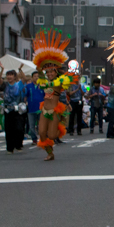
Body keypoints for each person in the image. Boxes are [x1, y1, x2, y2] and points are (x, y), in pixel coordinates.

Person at [32, 29, 75, 160]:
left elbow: (67, 81)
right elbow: (39, 74)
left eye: (52, 72)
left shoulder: (59, 82)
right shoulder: (43, 81)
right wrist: (40, 65)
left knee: (51, 135)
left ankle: (61, 124)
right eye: (48, 72)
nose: (50, 74)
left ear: (56, 73)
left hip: (55, 110)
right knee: (42, 133)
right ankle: (50, 153)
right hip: (44, 110)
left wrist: (67, 104)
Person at [0, 62, 26, 154]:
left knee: (19, 128)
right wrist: (2, 69)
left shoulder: (18, 84)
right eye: (8, 75)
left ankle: (18, 145)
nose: (9, 77)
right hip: (8, 110)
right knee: (9, 129)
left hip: (17, 110)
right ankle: (10, 148)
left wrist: (20, 69)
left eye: (11, 75)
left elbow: (24, 78)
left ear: (14, 76)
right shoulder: (5, 85)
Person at [25, 72, 44, 145]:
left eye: (38, 76)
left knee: (41, 126)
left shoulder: (42, 86)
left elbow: (46, 96)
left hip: (41, 109)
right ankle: (34, 139)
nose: (36, 77)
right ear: (32, 78)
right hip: (31, 109)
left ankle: (42, 138)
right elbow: (25, 95)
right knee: (31, 126)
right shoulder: (28, 86)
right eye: (35, 76)